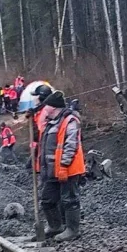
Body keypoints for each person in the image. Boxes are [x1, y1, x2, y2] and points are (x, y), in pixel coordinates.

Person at [36, 90, 85, 242]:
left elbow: (71, 145)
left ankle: (72, 230)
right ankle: (55, 226)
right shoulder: (51, 123)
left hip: (67, 169)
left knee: (69, 200)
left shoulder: (69, 121)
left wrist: (64, 165)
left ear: (54, 108)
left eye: (47, 107)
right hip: (53, 170)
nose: (45, 109)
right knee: (47, 200)